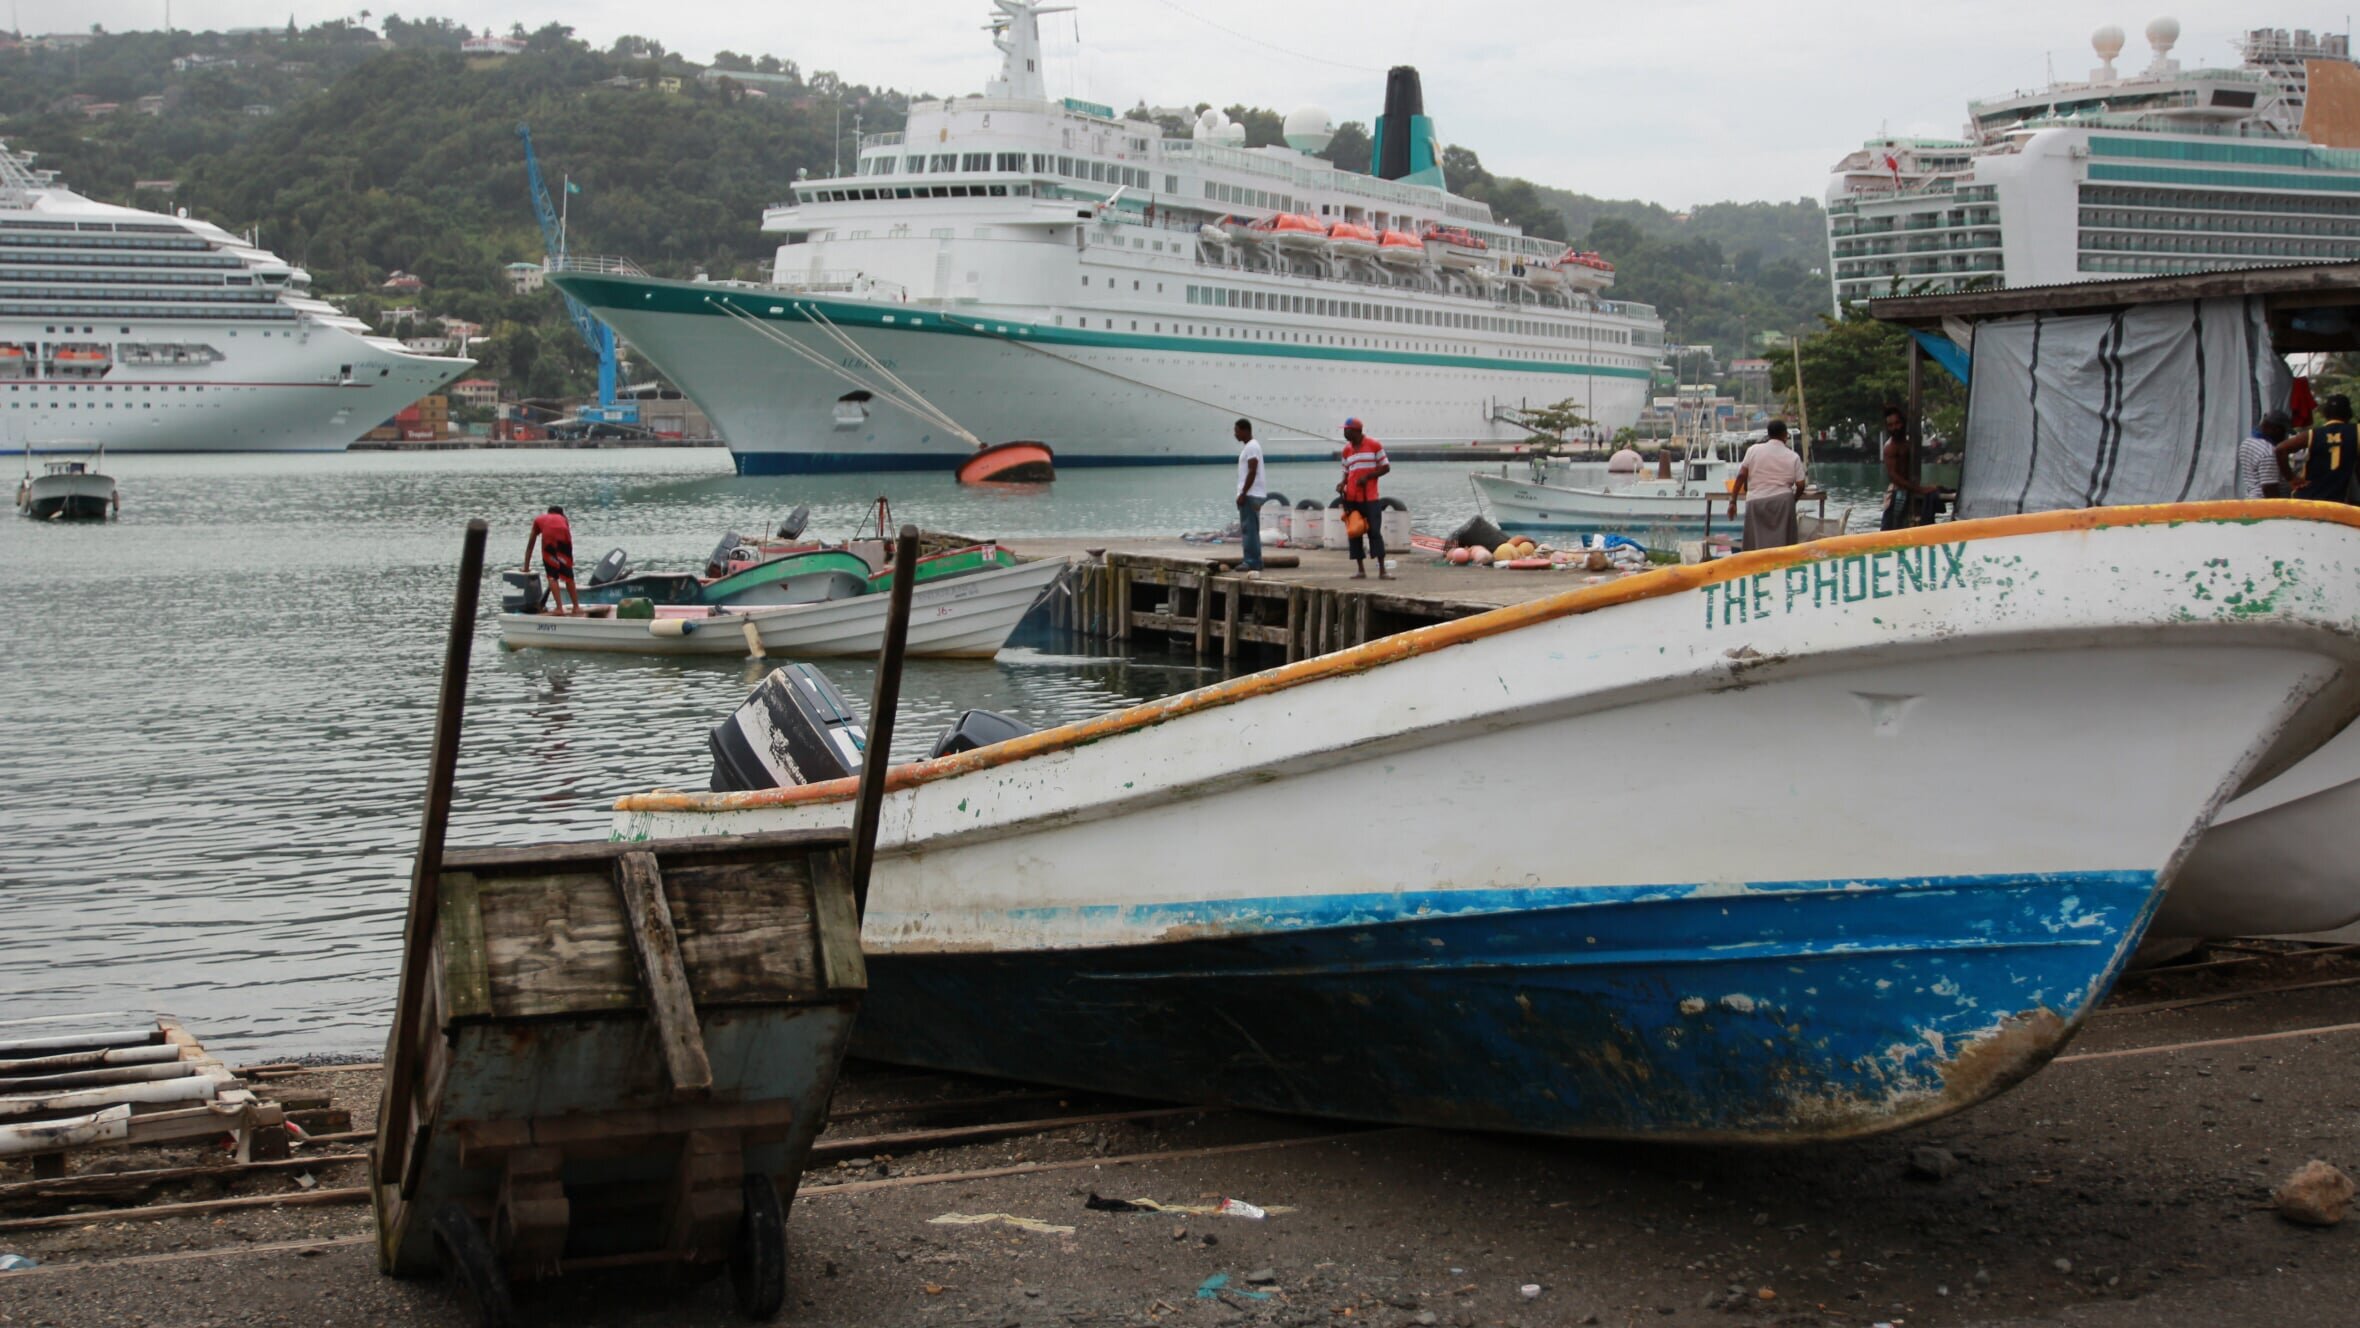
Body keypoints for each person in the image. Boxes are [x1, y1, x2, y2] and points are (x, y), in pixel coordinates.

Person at [1729, 420, 1806, 551]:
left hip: (1756, 501)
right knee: (1784, 543)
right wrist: (1793, 500)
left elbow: (1741, 476)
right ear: (1785, 435)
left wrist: (1733, 502)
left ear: (1769, 434)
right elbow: (1801, 484)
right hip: (1783, 501)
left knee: (1755, 542)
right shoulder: (1793, 456)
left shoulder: (1753, 450)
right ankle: (1782, 567)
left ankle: (1755, 567)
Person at [1338, 416, 1392, 580]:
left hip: (1370, 497)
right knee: (1354, 533)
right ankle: (1361, 570)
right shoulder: (1346, 450)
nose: (1344, 433)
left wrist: (1368, 477)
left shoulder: (1374, 445)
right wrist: (1342, 484)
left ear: (1355, 431)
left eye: (1346, 430)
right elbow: (1347, 471)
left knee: (1374, 532)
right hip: (1352, 497)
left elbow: (1386, 467)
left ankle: (1382, 570)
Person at [2278, 394, 2357, 503]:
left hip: (2307, 498)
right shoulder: (2356, 432)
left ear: (2325, 414)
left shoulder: (2313, 434)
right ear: (2349, 414)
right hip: (2337, 502)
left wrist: (2291, 478)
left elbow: (2280, 449)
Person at [1877, 404, 1939, 530]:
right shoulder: (1890, 447)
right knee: (1892, 528)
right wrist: (1919, 489)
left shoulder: (1907, 443)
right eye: (1890, 425)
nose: (1894, 428)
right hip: (1897, 492)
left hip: (1910, 490)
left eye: (1897, 423)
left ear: (1903, 423)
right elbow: (1894, 476)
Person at [523, 505, 580, 614]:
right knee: (568, 576)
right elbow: (568, 541)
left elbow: (531, 544)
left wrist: (526, 567)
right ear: (561, 514)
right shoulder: (564, 519)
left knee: (552, 576)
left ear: (548, 512)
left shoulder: (539, 519)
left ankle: (559, 608)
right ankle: (576, 607)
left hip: (550, 538)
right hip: (564, 538)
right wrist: (568, 562)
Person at [1233, 418, 1267, 572]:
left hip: (1251, 494)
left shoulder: (1251, 447)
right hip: (1254, 494)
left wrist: (1243, 493)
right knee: (1252, 529)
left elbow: (1252, 471)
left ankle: (1251, 561)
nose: (1235, 434)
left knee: (1249, 530)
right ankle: (1256, 561)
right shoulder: (1251, 446)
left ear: (1245, 430)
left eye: (1237, 430)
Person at [2238, 410, 2292, 499]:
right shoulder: (2268, 452)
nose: (2285, 437)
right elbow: (2269, 488)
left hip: (2251, 497)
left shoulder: (2248, 442)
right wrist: (2278, 511)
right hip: (2264, 503)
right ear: (2276, 430)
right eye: (2284, 432)